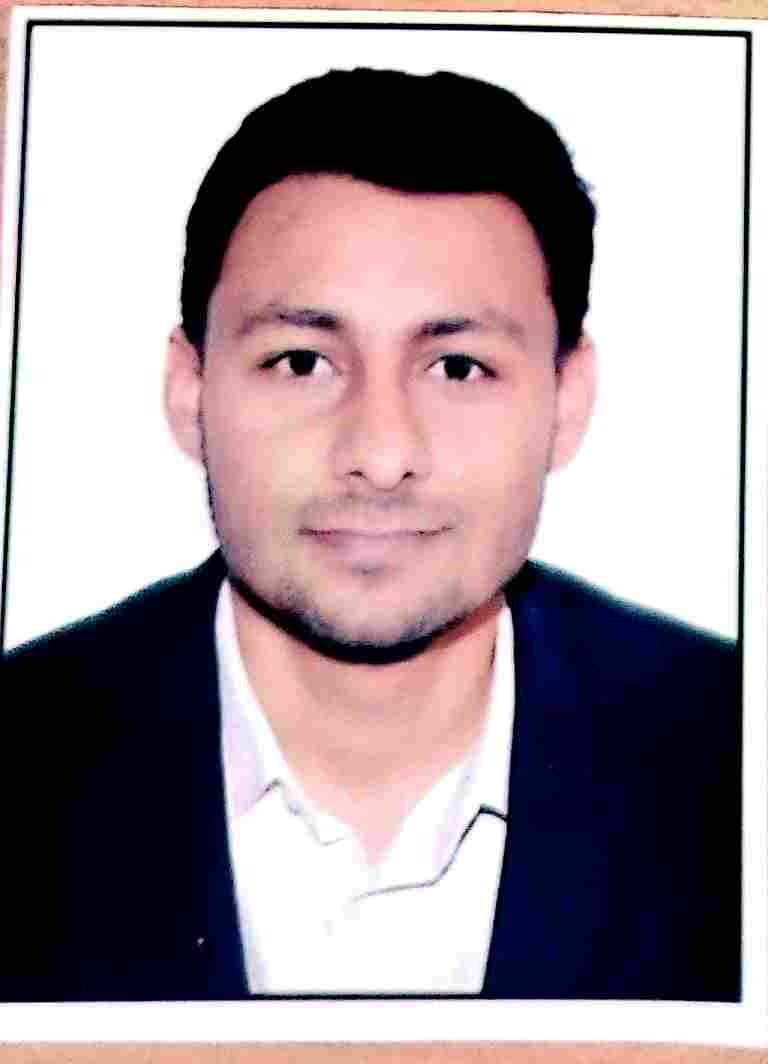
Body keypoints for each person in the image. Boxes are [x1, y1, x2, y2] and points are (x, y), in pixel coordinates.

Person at [2, 68, 740, 1003]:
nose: (381, 455)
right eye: (301, 362)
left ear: (567, 402)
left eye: (458, 367)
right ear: (190, 393)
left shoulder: (731, 753)